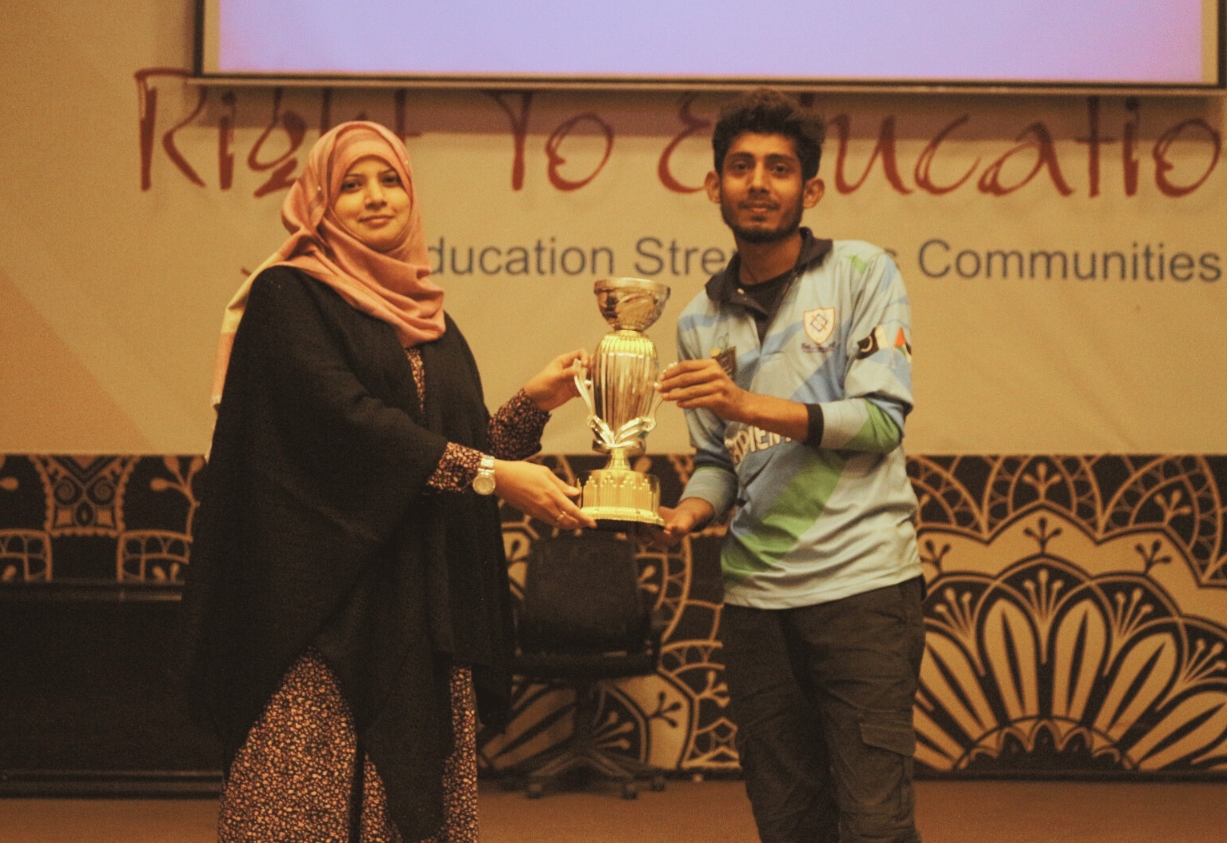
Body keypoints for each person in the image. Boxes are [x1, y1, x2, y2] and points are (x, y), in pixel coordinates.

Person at [182, 120, 595, 843]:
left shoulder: (431, 322)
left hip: (418, 611)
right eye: (351, 184)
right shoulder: (288, 297)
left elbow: (444, 461)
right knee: (303, 815)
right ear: (318, 201)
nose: (375, 197)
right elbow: (348, 423)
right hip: (319, 612)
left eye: (390, 180)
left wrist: (532, 405)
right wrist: (492, 473)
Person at [653, 89, 925, 843]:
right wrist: (689, 512)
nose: (758, 182)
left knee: (873, 825)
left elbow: (880, 421)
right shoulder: (698, 319)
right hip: (756, 602)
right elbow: (719, 459)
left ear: (811, 190)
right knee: (788, 824)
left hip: (863, 588)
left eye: (779, 168)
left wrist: (746, 403)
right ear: (714, 187)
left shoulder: (863, 272)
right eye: (741, 167)